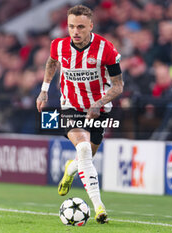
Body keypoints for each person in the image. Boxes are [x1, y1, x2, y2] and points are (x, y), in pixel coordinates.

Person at [36, 5, 123, 224]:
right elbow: (52, 62)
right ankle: (99, 207)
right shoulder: (59, 45)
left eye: (81, 27)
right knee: (83, 148)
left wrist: (99, 102)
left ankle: (70, 168)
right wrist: (44, 90)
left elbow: (118, 86)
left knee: (86, 157)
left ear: (91, 26)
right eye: (71, 26)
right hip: (70, 107)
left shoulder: (107, 49)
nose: (75, 31)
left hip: (98, 110)